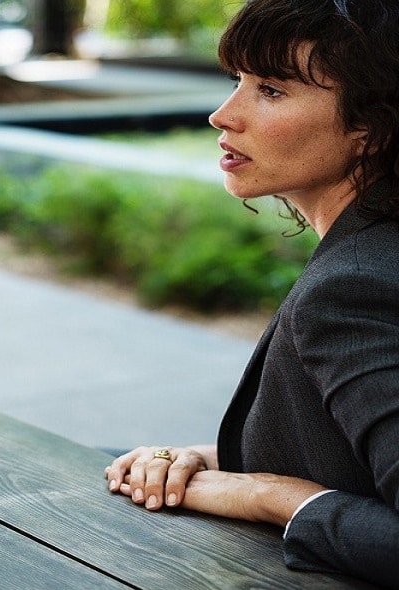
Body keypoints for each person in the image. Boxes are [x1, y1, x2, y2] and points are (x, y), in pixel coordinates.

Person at [102, 0, 399, 586]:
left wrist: (275, 496)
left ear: (371, 126)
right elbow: (353, 453)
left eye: (271, 90)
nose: (222, 115)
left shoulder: (354, 288)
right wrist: (211, 460)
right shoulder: (372, 251)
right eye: (237, 81)